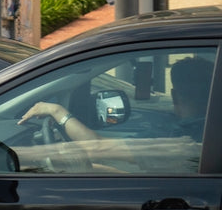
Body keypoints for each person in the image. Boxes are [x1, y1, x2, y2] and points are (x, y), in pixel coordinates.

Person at [19, 56, 212, 144]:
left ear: (175, 95)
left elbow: (97, 146)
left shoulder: (176, 136)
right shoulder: (207, 131)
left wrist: (56, 111)